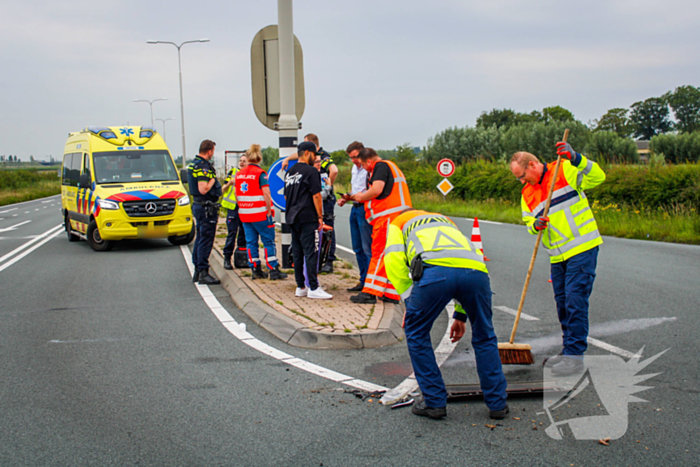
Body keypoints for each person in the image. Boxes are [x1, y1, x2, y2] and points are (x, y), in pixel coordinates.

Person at [384, 209, 508, 420]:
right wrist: (460, 315)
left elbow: (393, 261)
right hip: (477, 272)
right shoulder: (446, 220)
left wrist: (410, 300)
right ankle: (497, 404)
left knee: (417, 333)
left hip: (435, 273)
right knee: (485, 335)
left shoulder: (398, 222)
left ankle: (434, 402)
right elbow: (459, 264)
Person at [509, 141, 606, 376]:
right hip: (557, 255)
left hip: (582, 247)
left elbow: (598, 177)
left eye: (522, 176)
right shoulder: (527, 194)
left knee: (575, 302)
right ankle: (568, 351)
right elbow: (528, 222)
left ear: (532, 164)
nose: (521, 181)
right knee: (563, 305)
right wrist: (535, 224)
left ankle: (574, 357)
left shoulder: (564, 169)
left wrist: (576, 157)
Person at [344, 148, 411, 304]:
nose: (364, 168)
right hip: (398, 218)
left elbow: (377, 189)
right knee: (391, 256)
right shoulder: (392, 166)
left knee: (379, 253)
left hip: (388, 218)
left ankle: (369, 292)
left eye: (363, 164)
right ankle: (390, 293)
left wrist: (361, 196)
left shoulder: (380, 166)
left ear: (369, 161)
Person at [282, 133, 338, 273]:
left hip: (299, 212)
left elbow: (333, 172)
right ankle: (312, 283)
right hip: (307, 213)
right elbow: (316, 196)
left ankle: (327, 260)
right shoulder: (309, 169)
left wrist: (329, 186)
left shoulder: (322, 158)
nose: (316, 161)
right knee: (310, 247)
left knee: (325, 231)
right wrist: (288, 158)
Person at [235, 144, 287, 281]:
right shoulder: (260, 174)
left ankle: (255, 269)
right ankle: (273, 269)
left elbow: (236, 194)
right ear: (259, 158)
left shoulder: (239, 174)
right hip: (260, 214)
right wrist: (269, 210)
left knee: (251, 242)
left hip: (245, 214)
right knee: (268, 241)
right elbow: (266, 193)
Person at [337, 141, 373, 292]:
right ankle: (363, 280)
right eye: (351, 158)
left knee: (367, 248)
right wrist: (346, 197)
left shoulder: (370, 169)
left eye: (356, 157)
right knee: (357, 248)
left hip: (365, 208)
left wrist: (358, 196)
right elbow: (356, 189)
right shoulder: (354, 168)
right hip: (355, 207)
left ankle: (371, 284)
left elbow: (372, 190)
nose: (354, 160)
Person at [187, 139, 222, 285]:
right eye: (213, 152)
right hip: (206, 207)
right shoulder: (203, 167)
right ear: (209, 151)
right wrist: (213, 179)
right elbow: (203, 188)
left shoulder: (193, 164)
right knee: (206, 240)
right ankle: (203, 272)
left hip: (198, 205)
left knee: (200, 237)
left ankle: (197, 270)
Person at [220, 154, 248, 270]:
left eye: (244, 161)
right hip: (233, 207)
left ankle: (242, 259)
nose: (241, 163)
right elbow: (223, 190)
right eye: (240, 161)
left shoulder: (249, 174)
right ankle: (227, 258)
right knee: (232, 233)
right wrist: (230, 183)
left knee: (244, 233)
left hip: (245, 207)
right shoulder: (233, 172)